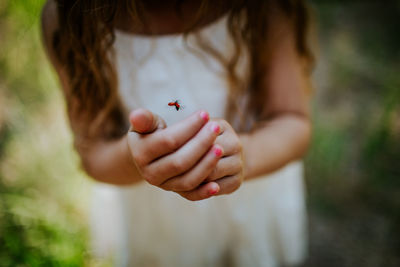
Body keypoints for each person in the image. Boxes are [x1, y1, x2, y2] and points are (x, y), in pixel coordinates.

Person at [41, 0, 314, 266]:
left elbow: (293, 121)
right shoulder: (72, 16)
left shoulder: (263, 7)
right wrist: (134, 157)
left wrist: (244, 156)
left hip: (249, 195)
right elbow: (94, 154)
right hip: (156, 217)